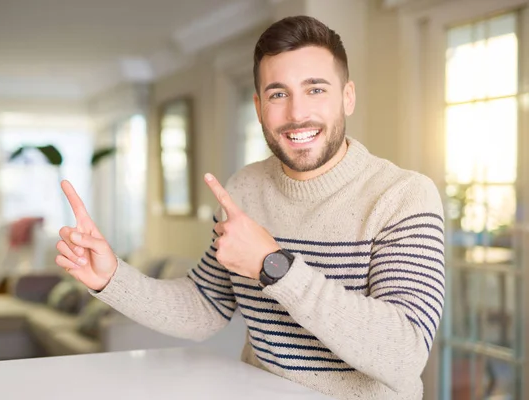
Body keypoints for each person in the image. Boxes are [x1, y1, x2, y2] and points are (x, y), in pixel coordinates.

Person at [56, 15, 445, 400]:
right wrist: (110, 279)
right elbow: (204, 306)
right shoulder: (244, 189)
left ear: (348, 97)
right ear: (259, 107)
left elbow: (404, 355)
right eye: (279, 94)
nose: (296, 113)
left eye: (315, 90)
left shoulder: (404, 196)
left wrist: (274, 266)